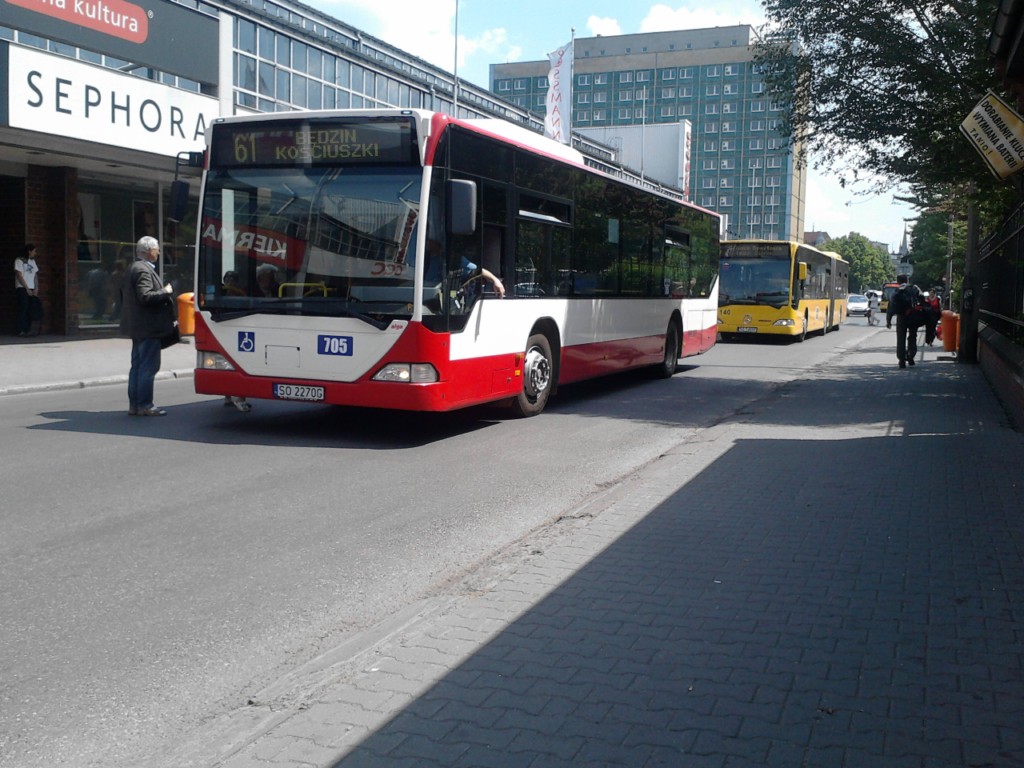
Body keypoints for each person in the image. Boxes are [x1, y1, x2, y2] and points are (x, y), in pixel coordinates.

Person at [119, 236, 176, 416]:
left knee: (137, 366)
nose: (159, 251)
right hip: (148, 327)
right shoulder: (143, 270)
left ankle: (135, 405)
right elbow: (145, 296)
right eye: (157, 249)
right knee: (148, 367)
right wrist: (165, 292)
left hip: (137, 326)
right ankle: (145, 404)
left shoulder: (133, 268)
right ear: (148, 251)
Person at [886, 274, 922, 368]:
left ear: (898, 282)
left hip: (901, 317)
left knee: (900, 338)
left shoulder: (897, 291)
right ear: (907, 280)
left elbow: (891, 306)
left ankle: (901, 360)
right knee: (913, 336)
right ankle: (911, 355)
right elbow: (922, 300)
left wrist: (888, 320)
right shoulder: (914, 288)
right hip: (913, 315)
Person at [14, 243, 41, 336]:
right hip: (22, 287)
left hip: (32, 287)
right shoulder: (19, 260)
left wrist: (36, 287)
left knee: (30, 308)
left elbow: (35, 275)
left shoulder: (32, 261)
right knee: (23, 307)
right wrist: (26, 288)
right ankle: (20, 329)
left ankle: (28, 329)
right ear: (29, 251)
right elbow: (19, 274)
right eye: (34, 251)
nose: (35, 253)